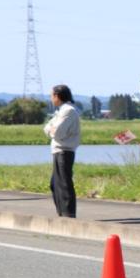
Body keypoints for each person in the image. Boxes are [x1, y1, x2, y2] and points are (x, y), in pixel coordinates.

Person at [43, 84, 81, 217]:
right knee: (55, 184)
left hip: (64, 150)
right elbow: (47, 128)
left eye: (51, 95)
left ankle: (68, 214)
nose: (51, 98)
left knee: (64, 183)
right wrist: (51, 129)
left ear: (57, 96)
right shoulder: (61, 111)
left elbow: (57, 133)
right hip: (59, 150)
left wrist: (51, 129)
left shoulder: (68, 111)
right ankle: (62, 212)